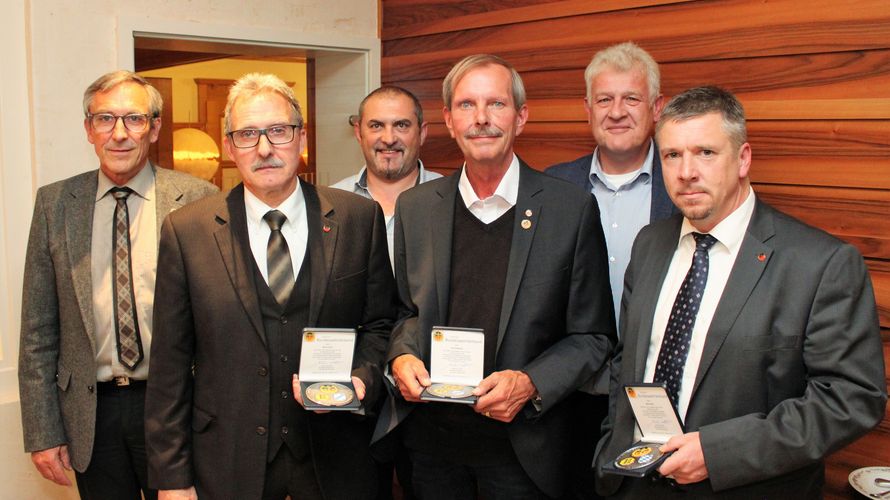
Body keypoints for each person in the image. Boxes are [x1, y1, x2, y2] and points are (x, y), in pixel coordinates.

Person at [594, 86, 887, 498]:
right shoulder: (649, 244)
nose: (686, 172)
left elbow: (851, 399)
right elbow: (628, 358)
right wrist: (614, 441)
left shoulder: (820, 264)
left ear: (743, 158)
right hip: (637, 482)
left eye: (706, 153)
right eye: (672, 155)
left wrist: (717, 453)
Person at [145, 73, 396, 500]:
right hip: (228, 459)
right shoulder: (187, 231)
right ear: (229, 147)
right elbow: (169, 365)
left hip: (335, 456)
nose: (264, 148)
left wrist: (364, 378)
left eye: (278, 131)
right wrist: (171, 479)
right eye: (247, 134)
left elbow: (381, 326)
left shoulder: (358, 219)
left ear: (300, 139)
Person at [376, 54, 616, 499]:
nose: (481, 119)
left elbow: (593, 336)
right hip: (431, 450)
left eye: (496, 104)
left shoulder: (570, 210)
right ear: (448, 120)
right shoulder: (417, 207)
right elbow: (406, 310)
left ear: (520, 116)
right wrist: (401, 358)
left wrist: (530, 383)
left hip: (522, 453)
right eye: (466, 105)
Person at [18, 70, 217, 500]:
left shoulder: (199, 198)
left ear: (155, 127)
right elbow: (38, 330)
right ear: (89, 128)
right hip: (93, 413)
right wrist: (42, 430)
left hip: (176, 406)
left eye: (134, 119)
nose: (120, 134)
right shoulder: (55, 205)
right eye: (105, 119)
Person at [545, 41, 678, 499]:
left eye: (632, 99)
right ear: (588, 108)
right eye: (605, 99)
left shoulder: (684, 186)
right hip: (566, 394)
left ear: (657, 107)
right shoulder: (551, 186)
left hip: (656, 394)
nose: (616, 111)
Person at [331, 85, 442, 268]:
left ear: (422, 133)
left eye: (401, 125)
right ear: (359, 133)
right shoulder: (331, 204)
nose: (389, 139)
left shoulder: (452, 198)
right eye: (376, 126)